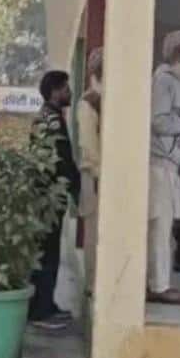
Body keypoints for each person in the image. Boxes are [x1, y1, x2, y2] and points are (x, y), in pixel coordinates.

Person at [147, 30, 180, 305]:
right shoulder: (164, 80)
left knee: (166, 229)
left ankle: (157, 282)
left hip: (170, 165)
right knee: (160, 227)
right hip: (158, 165)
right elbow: (158, 121)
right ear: (169, 53)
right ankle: (159, 286)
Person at [28, 71, 81, 329]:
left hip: (47, 197)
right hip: (47, 198)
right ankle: (40, 311)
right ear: (55, 91)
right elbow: (61, 161)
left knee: (49, 253)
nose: (69, 92)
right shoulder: (50, 120)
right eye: (65, 88)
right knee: (46, 254)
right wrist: (76, 189)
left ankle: (46, 304)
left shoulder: (49, 116)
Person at [78, 48, 103, 298]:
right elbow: (88, 144)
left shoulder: (108, 97)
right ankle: (92, 284)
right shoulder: (89, 101)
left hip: (105, 175)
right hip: (94, 174)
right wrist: (98, 173)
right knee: (94, 232)